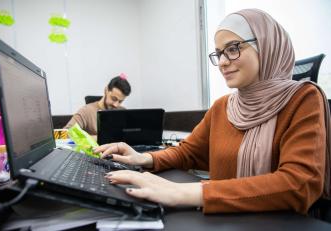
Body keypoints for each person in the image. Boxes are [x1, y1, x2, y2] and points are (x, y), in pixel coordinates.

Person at [94, 9, 331, 214]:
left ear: (267, 47)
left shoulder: (303, 99)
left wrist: (183, 193)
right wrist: (143, 158)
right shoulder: (222, 107)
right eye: (219, 53)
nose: (223, 62)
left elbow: (299, 184)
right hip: (224, 219)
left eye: (233, 48)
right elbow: (188, 153)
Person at [64, 74, 131, 136]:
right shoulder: (86, 111)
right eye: (114, 98)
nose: (116, 105)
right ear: (106, 90)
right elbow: (67, 133)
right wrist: (97, 138)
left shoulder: (122, 111)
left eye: (120, 101)